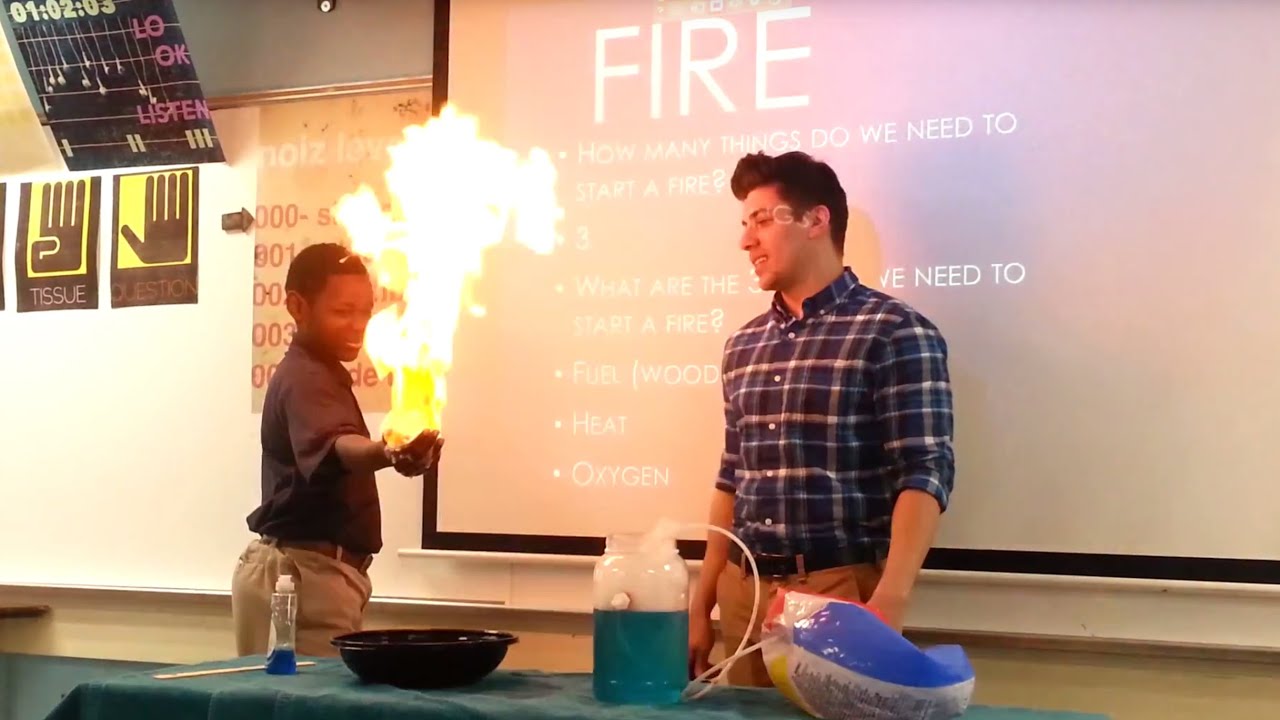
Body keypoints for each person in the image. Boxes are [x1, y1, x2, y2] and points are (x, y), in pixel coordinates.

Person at [688, 151, 956, 687]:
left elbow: (924, 470)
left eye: (763, 220)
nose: (746, 240)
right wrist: (704, 600)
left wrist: (891, 597)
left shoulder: (894, 330)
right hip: (744, 591)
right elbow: (731, 476)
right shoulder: (744, 345)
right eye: (745, 224)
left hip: (837, 586)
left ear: (816, 220)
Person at [231, 242, 443, 657]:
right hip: (303, 579)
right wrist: (388, 451)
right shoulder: (306, 377)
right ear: (297, 306)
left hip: (314, 576)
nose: (358, 325)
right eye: (343, 312)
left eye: (365, 312)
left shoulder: (322, 373)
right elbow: (338, 446)